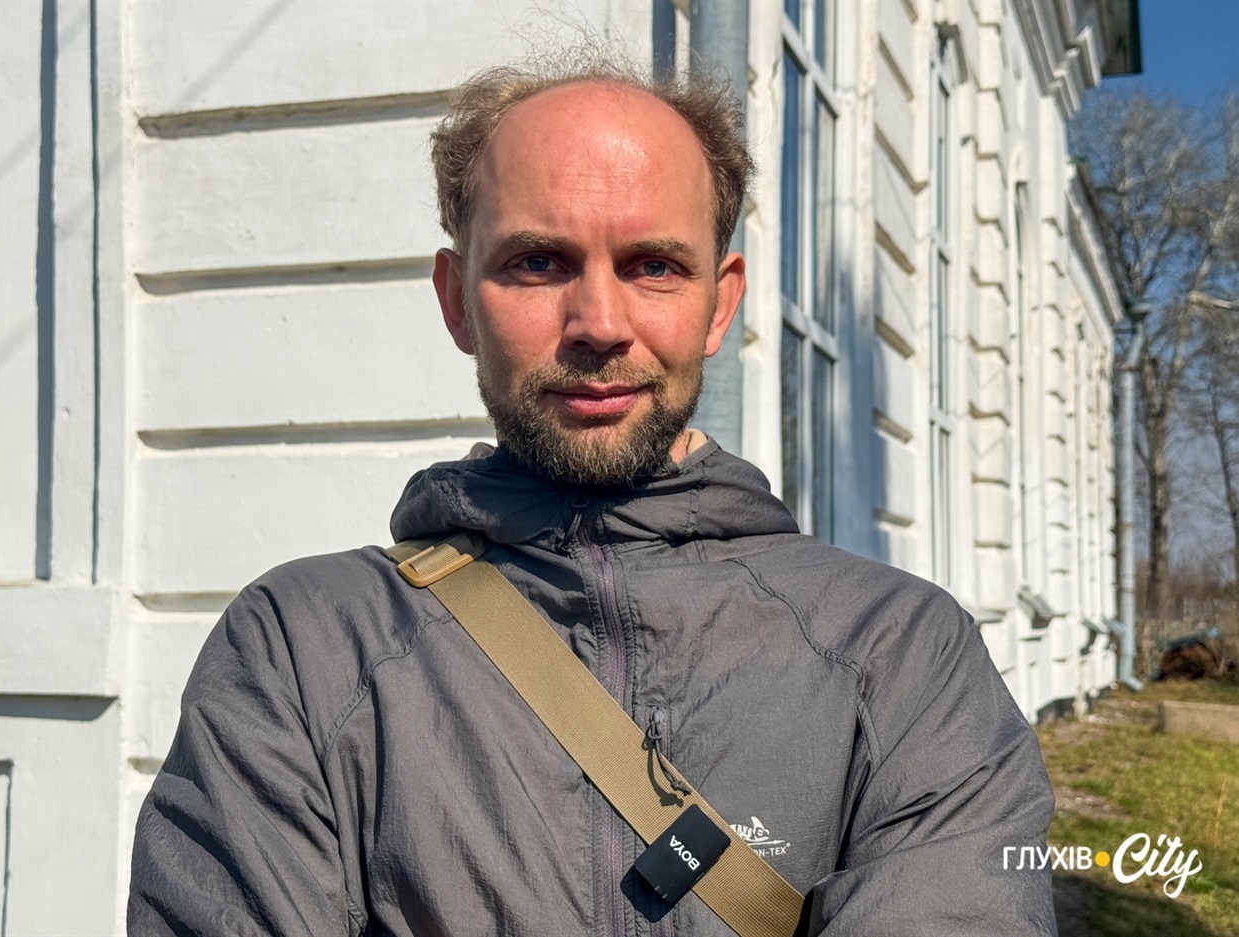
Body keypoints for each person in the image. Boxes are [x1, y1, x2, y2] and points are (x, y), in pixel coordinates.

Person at [129, 56, 1057, 937]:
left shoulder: (901, 658)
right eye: (538, 262)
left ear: (719, 303)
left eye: (654, 265)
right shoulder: (302, 650)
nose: (600, 324)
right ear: (456, 300)